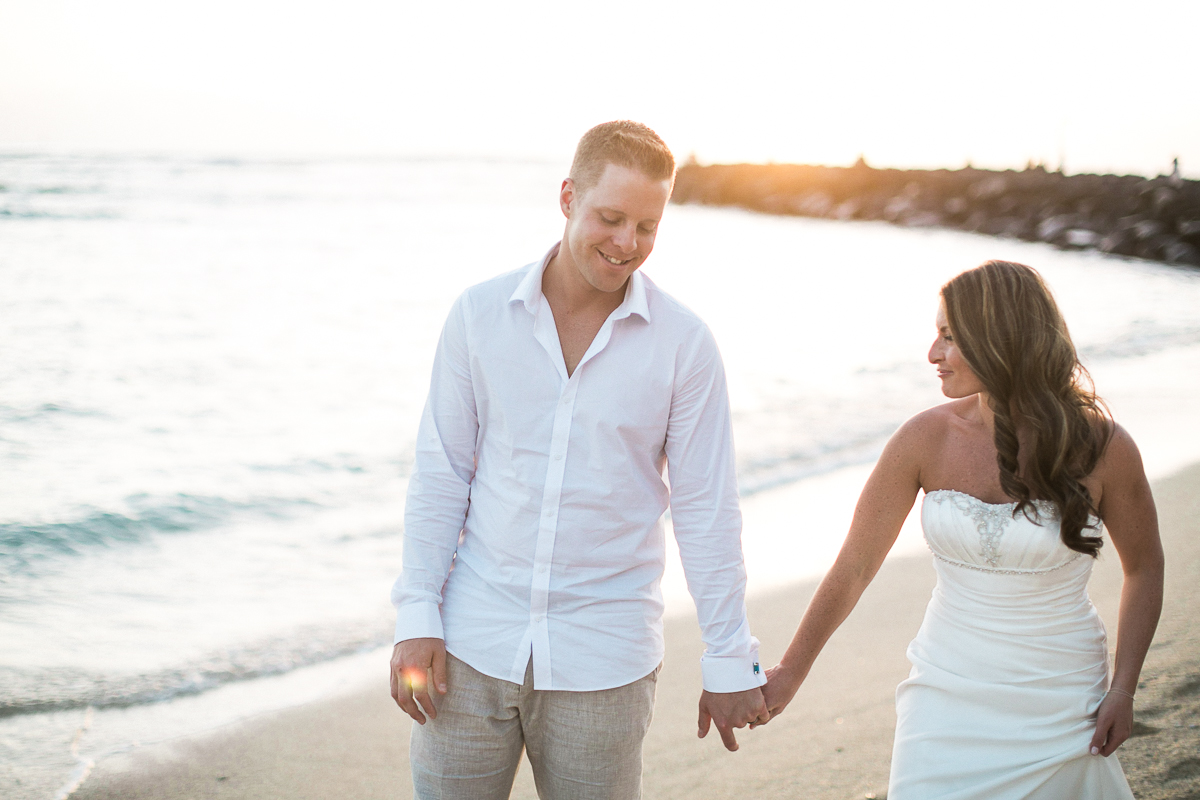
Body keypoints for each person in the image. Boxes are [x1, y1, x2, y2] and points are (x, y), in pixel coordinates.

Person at [389, 120, 768, 800]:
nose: (627, 244)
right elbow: (442, 475)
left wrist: (729, 657)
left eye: (647, 227)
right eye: (611, 218)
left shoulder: (684, 345)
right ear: (567, 198)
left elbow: (707, 508)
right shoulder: (478, 317)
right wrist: (417, 615)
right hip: (470, 644)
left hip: (606, 659)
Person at [757, 260, 1164, 798]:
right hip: (944, 690)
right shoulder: (923, 438)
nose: (933, 355)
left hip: (1062, 697)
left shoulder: (1103, 446)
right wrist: (790, 671)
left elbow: (1145, 566)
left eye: (949, 337)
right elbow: (854, 569)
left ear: (999, 338)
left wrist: (1123, 689)